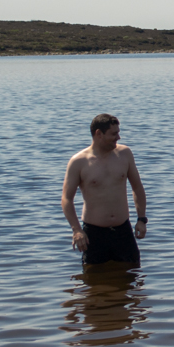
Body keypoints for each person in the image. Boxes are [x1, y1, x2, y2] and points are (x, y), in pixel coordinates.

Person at [62, 114, 147, 269]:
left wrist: (141, 219)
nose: (119, 137)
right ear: (98, 134)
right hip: (94, 234)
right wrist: (77, 230)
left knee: (132, 277)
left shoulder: (125, 154)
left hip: (123, 231)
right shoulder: (79, 162)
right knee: (93, 280)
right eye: (114, 134)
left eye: (118, 132)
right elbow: (66, 199)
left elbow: (137, 187)